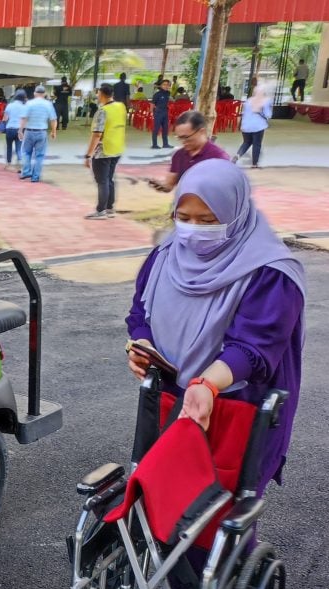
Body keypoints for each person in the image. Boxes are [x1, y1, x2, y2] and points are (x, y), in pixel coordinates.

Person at [126, 157, 305, 539]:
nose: (193, 231)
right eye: (184, 217)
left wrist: (206, 384)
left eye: (209, 221)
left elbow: (254, 348)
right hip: (172, 400)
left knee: (217, 521)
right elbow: (141, 311)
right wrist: (142, 345)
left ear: (236, 213)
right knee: (167, 510)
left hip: (235, 406)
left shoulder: (271, 273)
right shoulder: (164, 256)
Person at [150, 110, 230, 193]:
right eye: (180, 138)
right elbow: (169, 184)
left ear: (201, 132)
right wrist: (161, 185)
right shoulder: (179, 155)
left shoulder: (219, 158)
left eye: (186, 137)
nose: (183, 141)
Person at [84, 84, 127, 220]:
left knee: (102, 181)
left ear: (101, 94)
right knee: (109, 179)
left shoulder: (103, 111)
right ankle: (109, 208)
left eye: (98, 94)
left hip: (103, 150)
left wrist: (88, 155)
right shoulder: (121, 107)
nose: (97, 96)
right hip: (117, 148)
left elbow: (97, 134)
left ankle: (101, 210)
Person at [19, 85, 58, 183]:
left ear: (35, 93)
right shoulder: (48, 104)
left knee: (25, 152)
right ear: (44, 94)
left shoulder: (29, 103)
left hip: (29, 131)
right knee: (39, 155)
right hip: (41, 132)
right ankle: (35, 177)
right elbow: (53, 119)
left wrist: (20, 130)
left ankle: (26, 171)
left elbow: (24, 118)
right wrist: (53, 131)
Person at [235, 81, 273, 169]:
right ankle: (254, 164)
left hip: (246, 126)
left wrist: (241, 125)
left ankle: (237, 156)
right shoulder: (266, 101)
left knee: (246, 142)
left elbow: (243, 114)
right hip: (258, 126)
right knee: (257, 144)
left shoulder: (248, 101)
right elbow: (268, 114)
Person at [2, 89, 28, 167]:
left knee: (9, 147)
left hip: (9, 129)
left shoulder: (9, 105)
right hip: (19, 129)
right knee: (18, 148)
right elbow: (25, 120)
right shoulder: (25, 107)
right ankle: (20, 163)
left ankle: (8, 163)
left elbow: (5, 118)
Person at [151, 79, 173, 149]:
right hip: (158, 113)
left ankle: (165, 144)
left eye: (167, 85)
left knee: (165, 128)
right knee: (156, 128)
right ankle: (154, 145)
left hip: (165, 112)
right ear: (160, 86)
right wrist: (152, 113)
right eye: (164, 84)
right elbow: (152, 104)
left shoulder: (168, 93)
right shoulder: (157, 94)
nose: (166, 86)